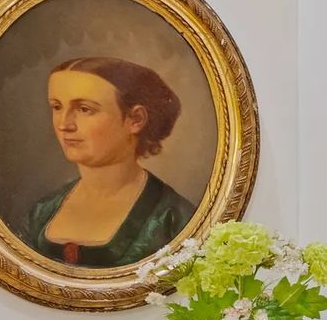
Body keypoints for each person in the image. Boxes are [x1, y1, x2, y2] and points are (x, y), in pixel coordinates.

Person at [21, 56, 197, 267]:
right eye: (57, 107)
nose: (64, 124)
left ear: (135, 119)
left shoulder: (173, 217)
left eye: (84, 109)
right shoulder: (42, 213)